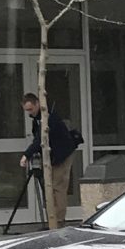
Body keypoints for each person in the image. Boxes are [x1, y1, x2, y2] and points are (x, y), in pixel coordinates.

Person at [20, 93, 76, 228]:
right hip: (52, 156)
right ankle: (54, 219)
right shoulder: (37, 118)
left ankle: (59, 221)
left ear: (38, 104)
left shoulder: (48, 117)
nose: (29, 113)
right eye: (26, 110)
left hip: (62, 154)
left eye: (31, 109)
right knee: (50, 187)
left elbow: (40, 139)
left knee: (58, 188)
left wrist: (26, 155)